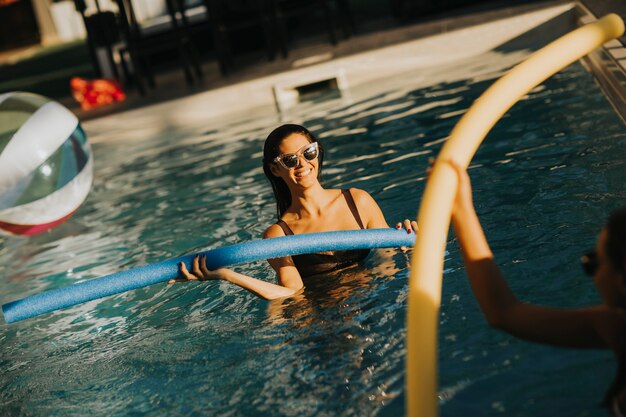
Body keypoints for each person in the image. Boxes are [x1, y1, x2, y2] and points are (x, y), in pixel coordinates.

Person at [446, 160, 626, 415]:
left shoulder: (616, 328)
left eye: (593, 262)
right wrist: (461, 208)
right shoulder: (616, 325)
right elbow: (503, 312)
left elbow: (504, 312)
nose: (591, 273)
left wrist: (461, 209)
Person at [169, 124, 417, 300]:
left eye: (308, 153)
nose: (303, 164)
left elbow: (389, 263)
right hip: (322, 319)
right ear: (275, 170)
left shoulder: (358, 201)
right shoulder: (279, 235)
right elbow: (291, 293)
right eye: (289, 159)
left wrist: (409, 241)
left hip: (371, 301)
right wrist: (226, 275)